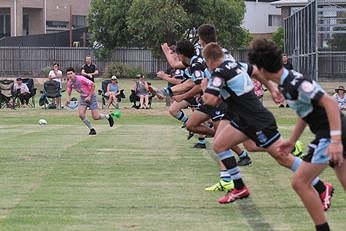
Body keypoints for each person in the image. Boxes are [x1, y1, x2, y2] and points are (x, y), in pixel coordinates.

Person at [202, 42, 333, 211]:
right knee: (220, 145)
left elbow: (211, 101)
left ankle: (322, 187)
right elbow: (255, 71)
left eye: (206, 62)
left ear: (209, 60)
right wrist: (271, 88)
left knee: (283, 158)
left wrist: (206, 89)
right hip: (244, 120)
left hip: (257, 121)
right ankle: (240, 187)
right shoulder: (235, 64)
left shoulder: (219, 72)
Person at [248, 39, 346, 231]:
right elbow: (306, 112)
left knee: (300, 182)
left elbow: (330, 103)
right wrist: (292, 140)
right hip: (336, 131)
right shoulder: (286, 83)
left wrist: (335, 140)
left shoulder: (294, 83)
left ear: (262, 69)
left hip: (331, 134)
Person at [65, 67, 114, 135]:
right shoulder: (70, 82)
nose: (70, 75)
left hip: (92, 96)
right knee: (81, 115)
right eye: (68, 74)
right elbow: (69, 89)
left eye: (71, 73)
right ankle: (92, 129)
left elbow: (93, 85)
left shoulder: (81, 79)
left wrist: (89, 96)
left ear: (74, 73)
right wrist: (68, 98)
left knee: (95, 117)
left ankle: (108, 116)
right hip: (83, 98)